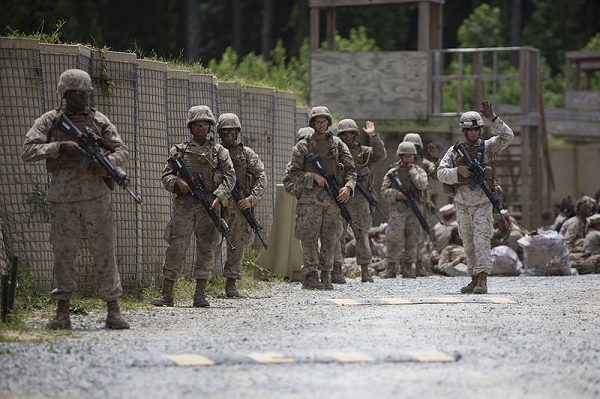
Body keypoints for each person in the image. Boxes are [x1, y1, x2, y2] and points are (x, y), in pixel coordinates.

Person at [21, 69, 130, 330]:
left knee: (105, 251)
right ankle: (62, 312)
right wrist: (59, 148)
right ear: (66, 94)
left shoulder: (98, 120)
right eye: (79, 93)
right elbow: (28, 150)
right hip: (63, 197)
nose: (84, 98)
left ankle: (113, 310)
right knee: (63, 253)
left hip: (96, 195)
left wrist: (104, 163)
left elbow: (121, 150)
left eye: (86, 93)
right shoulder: (51, 121)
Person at [151, 105, 235, 308]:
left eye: (205, 124)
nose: (201, 128)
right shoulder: (179, 151)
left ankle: (200, 294)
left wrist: (218, 196)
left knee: (207, 248)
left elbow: (230, 177)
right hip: (185, 206)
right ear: (191, 127)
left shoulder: (218, 152)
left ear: (210, 127)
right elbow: (166, 176)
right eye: (197, 125)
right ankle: (167, 294)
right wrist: (178, 183)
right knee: (176, 247)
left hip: (209, 206)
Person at [437, 101, 514, 294]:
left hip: (482, 202)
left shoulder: (489, 147)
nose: (474, 133)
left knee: (481, 239)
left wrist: (493, 118)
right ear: (464, 131)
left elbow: (507, 136)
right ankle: (473, 277)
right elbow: (440, 172)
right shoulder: (454, 151)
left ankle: (483, 279)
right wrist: (458, 171)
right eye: (470, 131)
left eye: (477, 130)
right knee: (467, 241)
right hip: (462, 203)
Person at [283, 106, 356, 290]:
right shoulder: (303, 146)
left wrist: (348, 187)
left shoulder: (338, 144)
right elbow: (292, 175)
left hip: (332, 200)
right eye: (318, 121)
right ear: (313, 123)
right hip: (309, 201)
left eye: (324, 121)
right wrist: (313, 177)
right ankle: (310, 275)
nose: (321, 125)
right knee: (308, 238)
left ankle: (326, 274)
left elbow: (351, 170)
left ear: (328, 123)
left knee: (330, 238)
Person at [217, 113, 266, 298]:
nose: (228, 134)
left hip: (239, 206)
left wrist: (251, 199)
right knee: (211, 243)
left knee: (237, 244)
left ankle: (231, 283)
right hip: (217, 203)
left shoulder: (247, 154)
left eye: (231, 131)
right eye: (224, 131)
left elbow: (261, 176)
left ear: (237, 132)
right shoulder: (214, 152)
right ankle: (203, 280)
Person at [334, 119, 386, 283]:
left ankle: (365, 270)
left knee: (362, 235)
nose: (347, 136)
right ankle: (337, 270)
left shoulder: (363, 152)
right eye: (344, 134)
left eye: (350, 133)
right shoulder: (335, 152)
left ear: (355, 135)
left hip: (361, 200)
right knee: (338, 235)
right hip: (340, 198)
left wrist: (373, 136)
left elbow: (380, 154)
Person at [381, 141, 429, 278]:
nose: (408, 159)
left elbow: (422, 185)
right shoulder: (392, 173)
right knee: (394, 238)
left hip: (415, 209)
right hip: (398, 209)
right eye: (405, 156)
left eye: (411, 156)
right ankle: (391, 268)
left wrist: (413, 171)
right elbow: (383, 191)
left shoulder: (419, 171)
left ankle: (408, 268)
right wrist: (396, 194)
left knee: (412, 237)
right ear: (400, 156)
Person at [402, 133, 439, 276]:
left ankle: (420, 266)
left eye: (415, 147)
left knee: (422, 236)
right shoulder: (399, 165)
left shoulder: (424, 163)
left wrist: (435, 158)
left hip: (421, 203)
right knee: (405, 235)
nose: (412, 150)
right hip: (404, 204)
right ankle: (405, 266)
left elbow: (436, 175)